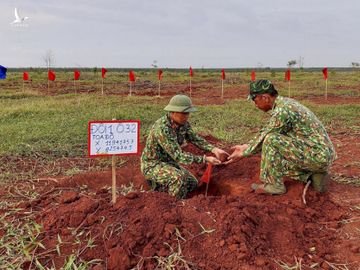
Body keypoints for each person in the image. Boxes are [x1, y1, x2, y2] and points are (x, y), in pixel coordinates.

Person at [227, 79, 337, 194]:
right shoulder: (285, 103)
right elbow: (267, 129)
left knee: (271, 140)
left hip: (318, 154)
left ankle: (274, 186)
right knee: (278, 164)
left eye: (255, 100)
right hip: (317, 154)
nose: (255, 104)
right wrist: (246, 146)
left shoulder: (283, 110)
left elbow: (267, 136)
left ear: (264, 97)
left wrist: (244, 153)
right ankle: (315, 175)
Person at [141, 94, 229, 199]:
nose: (187, 116)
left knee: (192, 183)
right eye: (183, 113)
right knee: (178, 179)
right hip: (153, 164)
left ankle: (162, 192)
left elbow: (194, 138)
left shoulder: (183, 124)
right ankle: (173, 205)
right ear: (172, 112)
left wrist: (214, 149)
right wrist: (204, 159)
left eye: (188, 113)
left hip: (169, 163)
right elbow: (178, 156)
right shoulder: (162, 128)